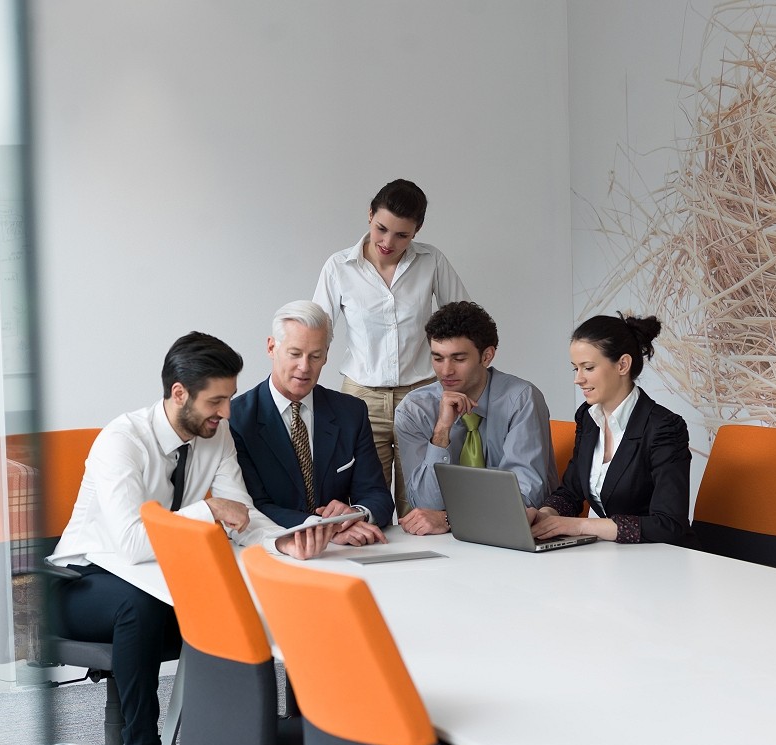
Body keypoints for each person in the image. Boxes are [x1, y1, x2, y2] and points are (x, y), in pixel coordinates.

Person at [47, 332, 337, 745]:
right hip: (81, 580)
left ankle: (230, 736)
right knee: (138, 605)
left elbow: (242, 514)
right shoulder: (122, 442)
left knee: (232, 598)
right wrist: (210, 510)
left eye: (230, 398)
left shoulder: (215, 436)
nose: (226, 412)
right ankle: (141, 741)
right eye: (215, 401)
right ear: (179, 393)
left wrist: (282, 542)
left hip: (156, 579)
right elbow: (131, 543)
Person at [313, 179, 470, 518]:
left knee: (422, 504)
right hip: (361, 399)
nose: (387, 242)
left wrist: (463, 378)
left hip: (421, 395)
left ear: (417, 231)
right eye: (381, 228)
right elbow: (317, 331)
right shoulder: (339, 267)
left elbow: (464, 321)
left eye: (402, 235)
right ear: (369, 214)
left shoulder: (431, 261)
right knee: (367, 505)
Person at [229, 301, 393, 546]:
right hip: (272, 550)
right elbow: (254, 506)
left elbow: (377, 495)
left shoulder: (351, 412)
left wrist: (356, 514)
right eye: (295, 354)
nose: (304, 367)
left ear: (326, 356)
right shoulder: (237, 419)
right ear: (272, 347)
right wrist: (324, 529)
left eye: (315, 356)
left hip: (344, 555)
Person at [527, 314, 693, 545]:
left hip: (663, 561)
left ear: (623, 364)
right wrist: (543, 515)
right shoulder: (588, 417)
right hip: (617, 557)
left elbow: (669, 525)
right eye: (575, 369)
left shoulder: (664, 427)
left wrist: (581, 525)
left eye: (588, 367)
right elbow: (571, 492)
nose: (578, 379)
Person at [394, 301, 558, 535]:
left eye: (458, 359)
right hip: (448, 544)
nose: (446, 371)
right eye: (438, 358)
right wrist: (442, 430)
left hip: (518, 536)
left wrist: (449, 518)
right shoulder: (414, 410)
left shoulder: (521, 400)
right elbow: (425, 503)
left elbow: (526, 498)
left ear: (487, 356)